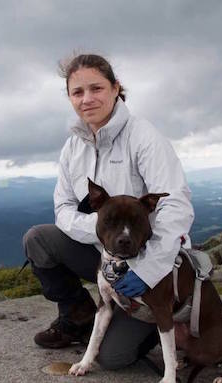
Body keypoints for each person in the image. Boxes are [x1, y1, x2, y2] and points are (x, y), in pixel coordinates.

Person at [23, 53, 194, 370]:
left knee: (113, 359)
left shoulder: (143, 137)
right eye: (77, 92)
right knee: (38, 239)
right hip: (104, 255)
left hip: (149, 260)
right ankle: (77, 316)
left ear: (116, 89)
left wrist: (149, 270)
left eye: (96, 88)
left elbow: (175, 207)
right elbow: (62, 209)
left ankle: (161, 324)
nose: (87, 99)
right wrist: (105, 234)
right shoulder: (72, 147)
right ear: (70, 98)